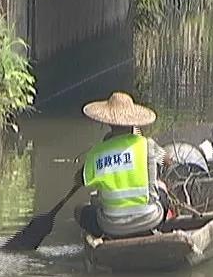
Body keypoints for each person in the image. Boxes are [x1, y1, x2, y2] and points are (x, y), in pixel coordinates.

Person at [73, 92, 173, 238]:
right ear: (133, 122)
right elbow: (167, 162)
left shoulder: (96, 153)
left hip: (110, 226)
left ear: (108, 123)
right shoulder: (147, 145)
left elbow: (78, 180)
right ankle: (161, 228)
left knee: (79, 210)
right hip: (150, 220)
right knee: (162, 189)